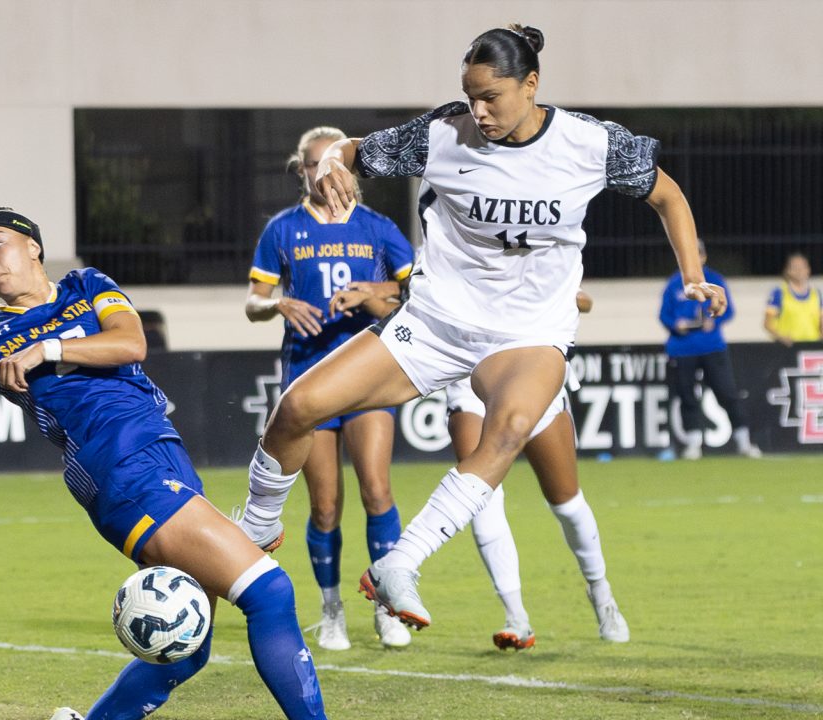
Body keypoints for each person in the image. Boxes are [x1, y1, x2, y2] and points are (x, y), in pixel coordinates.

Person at [0, 208, 404, 720]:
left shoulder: (87, 287)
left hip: (163, 460)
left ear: (34, 248)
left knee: (190, 646)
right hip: (120, 474)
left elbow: (131, 343)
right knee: (270, 591)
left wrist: (47, 352)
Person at [236, 24, 727, 631]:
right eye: (470, 96)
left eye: (490, 97)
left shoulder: (590, 143)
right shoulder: (443, 132)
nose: (479, 110)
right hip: (437, 321)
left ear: (531, 84)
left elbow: (669, 196)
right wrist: (334, 158)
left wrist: (693, 275)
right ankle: (255, 527)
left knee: (510, 428)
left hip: (527, 332)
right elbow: (356, 148)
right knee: (298, 405)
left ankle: (402, 563)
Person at [245, 125, 415, 651]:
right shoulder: (282, 229)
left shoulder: (379, 227)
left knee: (377, 489)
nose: (326, 174)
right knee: (324, 506)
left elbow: (421, 289)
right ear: (303, 171)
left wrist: (373, 292)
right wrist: (278, 304)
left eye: (333, 163)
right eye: (315, 165)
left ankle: (388, 604)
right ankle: (332, 607)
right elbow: (253, 301)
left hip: (367, 377)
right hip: (309, 377)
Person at [446, 290, 628, 649]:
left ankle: (600, 591)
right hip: (470, 379)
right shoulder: (449, 245)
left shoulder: (530, 241)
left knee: (567, 503)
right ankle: (516, 617)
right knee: (480, 497)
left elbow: (585, 300)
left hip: (531, 374)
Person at [659, 239, 761, 459]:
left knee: (726, 392)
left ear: (704, 257)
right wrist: (676, 325)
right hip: (682, 348)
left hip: (711, 347)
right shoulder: (674, 283)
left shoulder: (714, 280)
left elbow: (729, 310)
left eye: (697, 255)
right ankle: (694, 443)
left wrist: (714, 321)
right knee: (687, 396)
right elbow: (664, 315)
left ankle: (744, 441)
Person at [765, 251, 822, 345]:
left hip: (811, 348)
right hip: (788, 348)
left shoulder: (816, 294)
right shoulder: (779, 293)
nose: (799, 270)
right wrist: (781, 337)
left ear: (808, 270)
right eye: (795, 267)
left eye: (803, 267)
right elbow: (767, 324)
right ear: (788, 271)